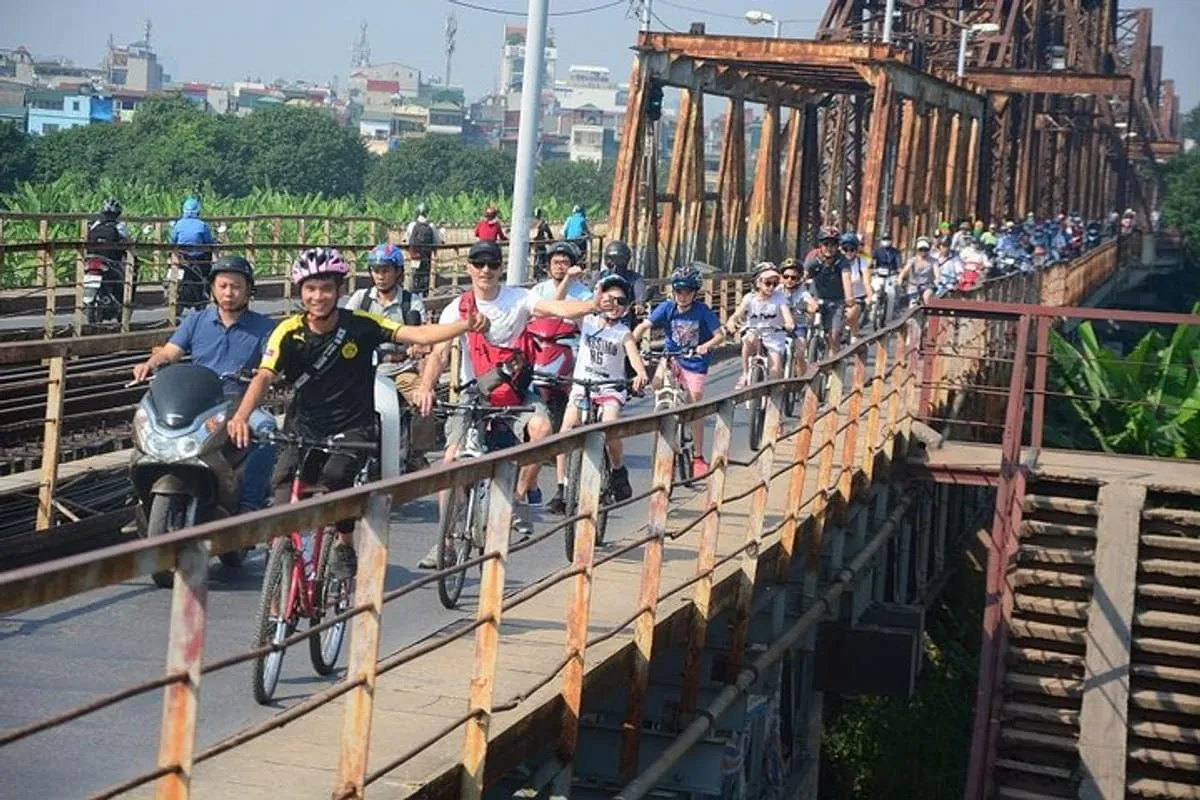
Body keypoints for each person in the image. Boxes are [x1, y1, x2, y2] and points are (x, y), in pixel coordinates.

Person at [227, 248, 488, 579]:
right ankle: (281, 568)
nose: (317, 296)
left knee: (337, 479)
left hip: (352, 428)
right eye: (310, 289)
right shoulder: (288, 332)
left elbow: (418, 335)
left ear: (339, 290)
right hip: (303, 427)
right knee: (281, 488)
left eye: (325, 288)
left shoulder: (362, 325)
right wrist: (241, 415)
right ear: (300, 291)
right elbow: (264, 375)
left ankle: (344, 543)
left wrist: (464, 326)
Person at [411, 240, 607, 569]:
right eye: (479, 263)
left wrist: (591, 306)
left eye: (492, 264)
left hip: (515, 390)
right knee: (449, 462)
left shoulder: (518, 299)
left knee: (542, 428)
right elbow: (439, 353)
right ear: (469, 268)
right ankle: (443, 541)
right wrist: (427, 387)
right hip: (474, 393)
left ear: (500, 268)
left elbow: (555, 309)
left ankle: (517, 496)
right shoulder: (458, 308)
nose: (486, 270)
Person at [131, 255, 277, 513]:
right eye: (222, 286)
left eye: (236, 286)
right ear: (213, 288)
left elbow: (269, 369)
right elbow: (169, 353)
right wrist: (150, 364)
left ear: (248, 290)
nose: (229, 293)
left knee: (268, 431)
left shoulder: (265, 328)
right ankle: (140, 499)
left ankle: (250, 504)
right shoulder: (196, 320)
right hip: (199, 402)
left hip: (239, 402)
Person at [554, 273, 649, 508]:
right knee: (565, 431)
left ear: (626, 308)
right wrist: (568, 279)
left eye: (620, 301)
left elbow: (634, 357)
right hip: (582, 386)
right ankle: (562, 487)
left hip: (610, 388)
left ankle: (617, 470)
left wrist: (640, 374)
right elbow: (559, 305)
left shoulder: (622, 333)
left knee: (610, 426)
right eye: (609, 299)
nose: (614, 306)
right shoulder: (586, 322)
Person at [344, 243, 433, 472]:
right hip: (366, 371)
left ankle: (416, 453)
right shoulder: (360, 299)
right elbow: (344, 327)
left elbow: (421, 336)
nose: (380, 276)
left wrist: (416, 347)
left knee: (424, 404)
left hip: (402, 370)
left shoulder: (410, 302)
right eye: (375, 270)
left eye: (385, 270)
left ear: (398, 272)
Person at [631, 264, 726, 477]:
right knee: (655, 382)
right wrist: (631, 342)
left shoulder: (703, 311)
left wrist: (706, 346)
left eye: (688, 291)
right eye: (679, 291)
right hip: (671, 356)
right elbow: (644, 325)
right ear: (673, 291)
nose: (682, 296)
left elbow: (720, 335)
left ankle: (698, 455)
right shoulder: (667, 308)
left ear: (695, 292)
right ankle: (665, 412)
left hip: (695, 361)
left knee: (695, 402)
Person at [530, 240, 594, 510]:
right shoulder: (539, 290)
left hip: (572, 351)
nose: (560, 266)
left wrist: (569, 284)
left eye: (565, 262)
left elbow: (585, 324)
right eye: (556, 262)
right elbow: (547, 311)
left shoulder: (584, 293)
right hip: (543, 351)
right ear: (548, 266)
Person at [725, 262, 796, 386]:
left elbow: (787, 315)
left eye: (775, 283)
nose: (771, 287)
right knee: (748, 340)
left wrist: (789, 323)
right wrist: (732, 322)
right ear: (758, 282)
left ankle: (773, 399)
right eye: (768, 283)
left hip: (774, 334)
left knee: (775, 372)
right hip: (755, 332)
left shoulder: (779, 297)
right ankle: (745, 373)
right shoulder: (749, 298)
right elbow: (737, 314)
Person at [802, 226, 854, 351]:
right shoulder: (813, 258)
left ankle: (833, 365)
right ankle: (806, 340)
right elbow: (803, 276)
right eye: (825, 244)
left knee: (834, 335)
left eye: (833, 244)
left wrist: (849, 298)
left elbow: (846, 278)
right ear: (820, 245)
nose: (829, 248)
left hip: (836, 300)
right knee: (806, 319)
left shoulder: (842, 261)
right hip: (816, 297)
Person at [599, 240, 647, 329]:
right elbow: (590, 295)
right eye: (611, 260)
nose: (614, 264)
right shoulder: (600, 276)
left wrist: (639, 305)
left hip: (624, 317)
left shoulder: (635, 278)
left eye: (618, 260)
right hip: (602, 315)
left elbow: (640, 295)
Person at [169, 197, 217, 282]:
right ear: (198, 211)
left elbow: (173, 240)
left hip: (181, 256)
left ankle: (172, 281)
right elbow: (209, 242)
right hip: (198, 258)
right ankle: (208, 282)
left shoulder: (178, 224)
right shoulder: (202, 225)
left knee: (172, 257)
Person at [840, 233, 874, 340]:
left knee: (851, 315)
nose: (849, 252)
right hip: (839, 297)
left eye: (852, 249)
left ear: (856, 249)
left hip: (858, 298)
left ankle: (854, 336)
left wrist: (870, 297)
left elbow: (866, 282)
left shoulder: (861, 262)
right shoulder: (837, 262)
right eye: (845, 249)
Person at [405, 203, 440, 293]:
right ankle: (425, 291)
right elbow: (436, 241)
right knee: (426, 273)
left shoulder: (412, 225)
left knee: (412, 273)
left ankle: (412, 290)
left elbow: (407, 239)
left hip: (414, 254)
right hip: (426, 255)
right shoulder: (431, 225)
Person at [898, 237, 939, 305]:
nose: (923, 252)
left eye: (925, 249)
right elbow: (905, 270)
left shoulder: (933, 261)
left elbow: (937, 273)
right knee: (912, 306)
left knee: (926, 297)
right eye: (921, 249)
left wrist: (937, 280)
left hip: (927, 286)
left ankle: (928, 313)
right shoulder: (912, 260)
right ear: (917, 250)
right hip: (914, 287)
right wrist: (900, 278)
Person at [531, 207, 554, 279]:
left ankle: (534, 273)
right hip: (540, 243)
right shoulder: (542, 222)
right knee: (542, 255)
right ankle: (540, 272)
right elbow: (549, 232)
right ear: (540, 214)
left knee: (534, 257)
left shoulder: (530, 222)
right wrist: (551, 239)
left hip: (531, 243)